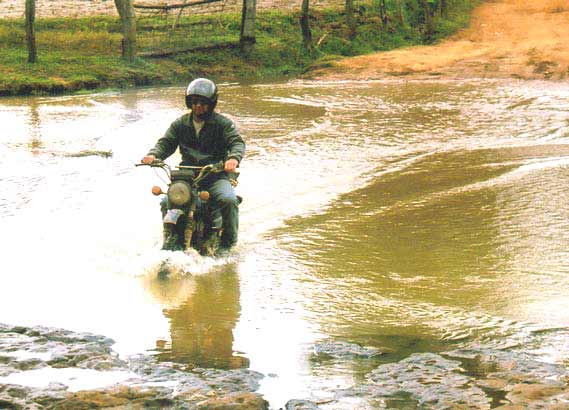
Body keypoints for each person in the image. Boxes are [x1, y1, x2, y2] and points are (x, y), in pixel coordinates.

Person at [142, 78, 245, 252]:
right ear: (189, 102)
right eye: (194, 102)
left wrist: (233, 158)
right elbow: (166, 142)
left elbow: (237, 142)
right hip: (186, 177)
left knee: (228, 200)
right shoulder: (181, 124)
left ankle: (229, 243)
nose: (198, 106)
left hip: (214, 175)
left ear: (211, 104)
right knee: (166, 201)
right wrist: (153, 155)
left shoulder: (222, 124)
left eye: (203, 103)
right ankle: (169, 237)